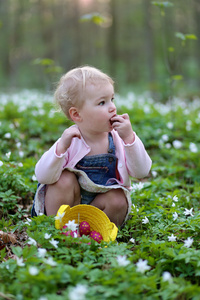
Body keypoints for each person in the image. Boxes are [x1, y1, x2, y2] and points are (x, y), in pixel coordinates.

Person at [31, 66, 152, 226]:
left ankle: (95, 236)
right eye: (102, 102)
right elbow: (43, 176)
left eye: (112, 99)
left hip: (99, 209)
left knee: (118, 199)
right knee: (62, 180)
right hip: (69, 205)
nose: (112, 107)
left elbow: (142, 171)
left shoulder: (118, 139)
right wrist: (60, 148)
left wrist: (129, 138)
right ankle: (58, 231)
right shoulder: (70, 140)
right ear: (77, 114)